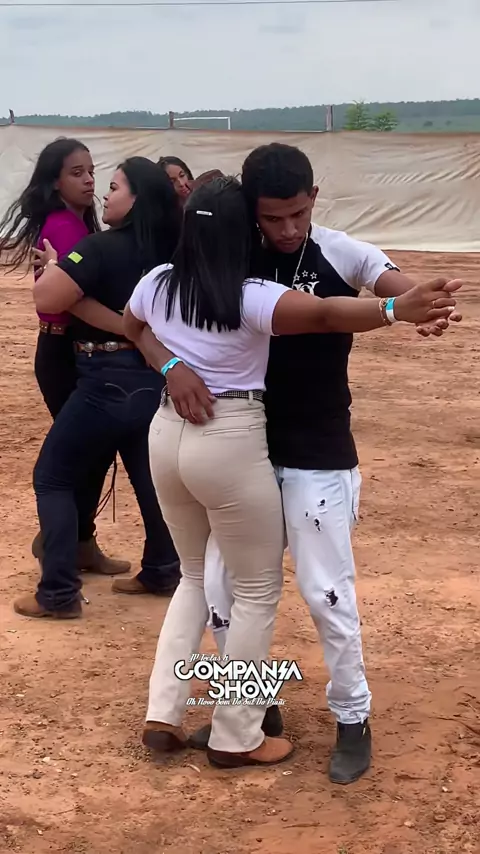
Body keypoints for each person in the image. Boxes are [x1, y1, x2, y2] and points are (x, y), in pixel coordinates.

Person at [134, 144, 462, 783]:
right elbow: (144, 322)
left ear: (314, 198)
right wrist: (172, 367)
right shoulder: (230, 252)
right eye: (272, 218)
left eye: (299, 214)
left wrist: (418, 302)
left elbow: (384, 283)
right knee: (223, 593)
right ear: (248, 212)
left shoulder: (340, 250)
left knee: (324, 592)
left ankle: (352, 717)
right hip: (239, 449)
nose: (287, 229)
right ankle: (254, 710)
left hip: (316, 448)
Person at [13, 157, 183, 619]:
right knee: (150, 480)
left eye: (115, 186)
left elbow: (49, 297)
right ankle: (163, 569)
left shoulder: (100, 247)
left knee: (53, 477)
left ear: (137, 199)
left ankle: (57, 593)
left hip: (104, 377)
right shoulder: (174, 251)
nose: (105, 193)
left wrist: (57, 268)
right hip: (154, 375)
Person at [0, 137, 129, 576]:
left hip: (69, 348)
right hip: (63, 350)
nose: (89, 180)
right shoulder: (63, 227)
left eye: (91, 171)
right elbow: (72, 298)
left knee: (92, 450)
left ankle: (79, 542)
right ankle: (65, 542)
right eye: (77, 173)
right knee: (83, 450)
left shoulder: (79, 225)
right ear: (55, 182)